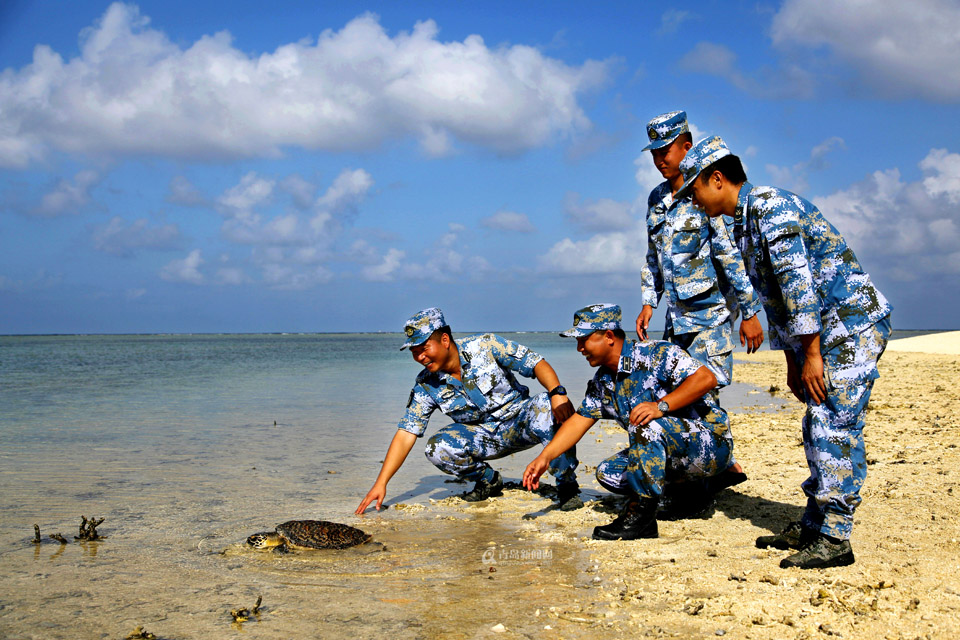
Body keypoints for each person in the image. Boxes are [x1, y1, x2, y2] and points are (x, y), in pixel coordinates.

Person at [674, 135, 893, 569]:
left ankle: (835, 539)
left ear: (716, 179)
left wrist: (811, 355)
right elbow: (774, 299)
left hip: (850, 325)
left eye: (693, 190)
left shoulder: (772, 210)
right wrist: (795, 360)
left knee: (834, 424)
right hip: (822, 333)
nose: (693, 201)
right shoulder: (743, 219)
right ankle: (814, 522)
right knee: (817, 421)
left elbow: (800, 289)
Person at [523, 304, 738, 541]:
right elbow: (578, 421)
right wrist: (544, 457)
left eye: (584, 340)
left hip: (710, 444)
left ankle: (641, 518)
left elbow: (706, 378)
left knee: (646, 423)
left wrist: (660, 406)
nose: (579, 348)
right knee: (609, 473)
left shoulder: (657, 353)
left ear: (608, 337)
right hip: (673, 456)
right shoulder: (604, 380)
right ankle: (694, 490)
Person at [356, 307, 582, 515]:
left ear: (444, 339)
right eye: (414, 352)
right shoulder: (426, 384)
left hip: (519, 422)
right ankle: (489, 481)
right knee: (437, 448)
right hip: (484, 437)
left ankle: (566, 485)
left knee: (548, 404)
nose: (420, 358)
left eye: (423, 349)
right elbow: (407, 433)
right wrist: (381, 483)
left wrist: (557, 392)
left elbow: (535, 363)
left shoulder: (485, 346)